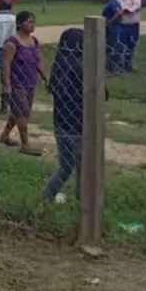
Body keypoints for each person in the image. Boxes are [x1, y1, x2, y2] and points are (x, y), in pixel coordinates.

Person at [43, 28, 86, 202]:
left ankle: (46, 197)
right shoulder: (81, 68)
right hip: (79, 123)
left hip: (61, 122)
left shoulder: (59, 64)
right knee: (83, 168)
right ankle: (83, 203)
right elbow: (101, 94)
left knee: (66, 165)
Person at [0, 10, 48, 155]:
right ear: (20, 24)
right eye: (29, 22)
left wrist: (46, 78)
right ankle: (25, 144)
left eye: (34, 22)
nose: (33, 25)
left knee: (17, 111)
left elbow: (38, 62)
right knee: (23, 112)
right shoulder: (12, 43)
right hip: (16, 83)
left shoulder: (34, 42)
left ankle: (4, 135)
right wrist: (7, 84)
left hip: (30, 82)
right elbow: (6, 64)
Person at [114, 0, 142, 72]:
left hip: (133, 25)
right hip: (122, 25)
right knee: (120, 45)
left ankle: (127, 65)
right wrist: (122, 11)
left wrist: (128, 10)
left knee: (131, 45)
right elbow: (117, 8)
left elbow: (137, 5)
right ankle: (119, 65)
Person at [101, 0, 124, 73]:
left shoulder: (113, 3)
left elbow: (119, 13)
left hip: (114, 29)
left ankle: (114, 68)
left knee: (113, 48)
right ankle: (110, 67)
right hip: (111, 29)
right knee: (109, 48)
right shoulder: (111, 3)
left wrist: (109, 22)